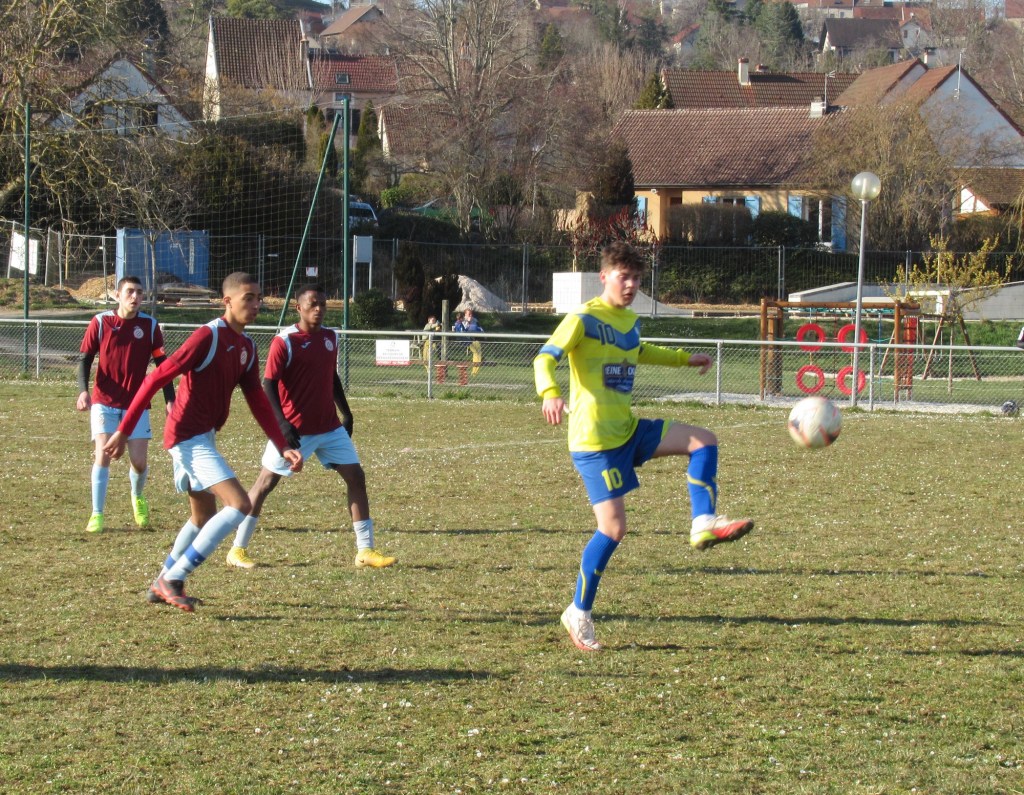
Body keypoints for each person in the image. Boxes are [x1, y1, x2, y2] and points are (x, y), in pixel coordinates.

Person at [534, 241, 754, 652]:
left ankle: (702, 522)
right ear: (604, 277)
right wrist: (550, 392)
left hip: (629, 429)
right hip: (595, 442)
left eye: (637, 278)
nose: (631, 285)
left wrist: (684, 358)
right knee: (613, 529)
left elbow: (640, 351)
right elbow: (544, 358)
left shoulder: (630, 321)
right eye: (624, 277)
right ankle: (578, 611)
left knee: (704, 441)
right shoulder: (582, 318)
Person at [104, 272, 303, 612]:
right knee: (239, 505)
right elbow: (155, 378)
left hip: (203, 435)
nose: (256, 304)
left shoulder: (247, 346)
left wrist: (282, 443)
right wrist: (124, 429)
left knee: (202, 517)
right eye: (248, 298)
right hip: (186, 436)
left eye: (258, 298)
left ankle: (161, 581)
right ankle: (174, 579)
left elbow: (256, 398)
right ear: (228, 301)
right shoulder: (207, 336)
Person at [225, 285, 396, 570]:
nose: (319, 309)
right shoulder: (285, 341)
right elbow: (268, 385)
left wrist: (347, 412)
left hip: (329, 427)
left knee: (356, 477)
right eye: (313, 304)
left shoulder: (331, 337)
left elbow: (331, 377)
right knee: (265, 484)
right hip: (296, 429)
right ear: (299, 308)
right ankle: (237, 549)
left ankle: (365, 550)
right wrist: (282, 425)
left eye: (323, 304)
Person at [76, 275, 174, 534]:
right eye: (130, 291)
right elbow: (85, 359)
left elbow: (163, 366)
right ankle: (97, 513)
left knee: (139, 462)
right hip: (104, 401)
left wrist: (170, 399)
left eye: (139, 292)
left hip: (137, 404)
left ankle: (137, 496)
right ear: (117, 295)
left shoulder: (150, 326)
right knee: (103, 455)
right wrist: (83, 392)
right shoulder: (100, 322)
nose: (135, 297)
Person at [453, 308, 484, 375]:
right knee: (476, 352)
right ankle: (474, 371)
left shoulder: (475, 320)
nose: (470, 315)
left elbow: (480, 328)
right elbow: (463, 330)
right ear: (465, 314)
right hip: (466, 340)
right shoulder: (462, 320)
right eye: (469, 314)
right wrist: (468, 322)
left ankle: (475, 371)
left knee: (477, 352)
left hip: (475, 339)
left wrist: (482, 333)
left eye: (471, 313)